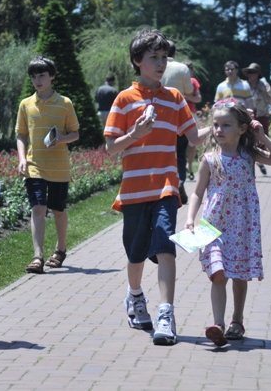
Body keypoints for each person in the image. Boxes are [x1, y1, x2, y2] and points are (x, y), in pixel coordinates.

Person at [104, 29, 210, 346]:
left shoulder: (175, 99)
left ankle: (166, 313)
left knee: (165, 245)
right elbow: (110, 147)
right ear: (138, 61)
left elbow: (192, 138)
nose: (161, 63)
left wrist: (220, 122)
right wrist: (135, 133)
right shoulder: (124, 100)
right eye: (154, 58)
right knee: (135, 254)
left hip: (166, 187)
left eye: (164, 58)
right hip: (134, 190)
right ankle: (135, 295)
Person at [185, 98, 271, 347]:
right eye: (216, 125)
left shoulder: (248, 155)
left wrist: (261, 136)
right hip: (214, 226)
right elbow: (198, 191)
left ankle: (237, 320)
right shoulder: (209, 159)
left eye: (226, 125)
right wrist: (190, 218)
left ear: (242, 128)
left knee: (239, 274)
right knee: (218, 274)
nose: (219, 130)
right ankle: (218, 325)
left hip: (243, 225)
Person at [16, 56, 80, 273]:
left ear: (52, 76)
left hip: (59, 168)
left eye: (42, 75)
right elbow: (21, 135)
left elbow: (75, 134)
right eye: (34, 76)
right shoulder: (26, 104)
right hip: (35, 166)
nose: (38, 80)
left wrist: (60, 139)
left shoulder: (65, 103)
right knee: (38, 208)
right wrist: (22, 159)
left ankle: (60, 250)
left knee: (58, 210)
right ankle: (37, 256)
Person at [160, 40, 197, 204]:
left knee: (163, 153)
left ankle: (163, 186)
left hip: (159, 117)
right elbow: (189, 90)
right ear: (174, 52)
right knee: (180, 154)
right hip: (177, 117)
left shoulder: (152, 66)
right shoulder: (182, 68)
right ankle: (180, 181)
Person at [242, 62, 271, 175]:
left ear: (258, 74)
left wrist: (263, 91)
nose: (251, 75)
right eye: (249, 72)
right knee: (247, 138)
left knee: (262, 138)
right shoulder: (244, 85)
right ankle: (252, 163)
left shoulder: (263, 85)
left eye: (253, 72)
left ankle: (260, 160)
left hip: (261, 115)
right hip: (248, 115)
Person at [185, 62, 202, 181]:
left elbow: (198, 98)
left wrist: (185, 97)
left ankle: (190, 167)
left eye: (189, 69)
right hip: (177, 113)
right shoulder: (178, 79)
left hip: (190, 113)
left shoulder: (193, 81)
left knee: (192, 141)